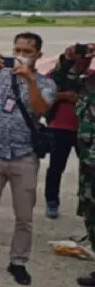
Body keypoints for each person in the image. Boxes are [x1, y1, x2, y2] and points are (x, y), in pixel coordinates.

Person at [0, 32, 56, 286]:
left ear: (38, 55)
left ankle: (18, 261)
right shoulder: (2, 76)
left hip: (24, 156)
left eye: (27, 51)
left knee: (24, 215)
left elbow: (41, 109)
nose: (21, 55)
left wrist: (30, 81)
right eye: (17, 50)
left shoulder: (46, 83)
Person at [50, 43, 95, 286]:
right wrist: (66, 59)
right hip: (89, 164)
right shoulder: (83, 83)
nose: (85, 60)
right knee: (89, 210)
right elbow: (60, 80)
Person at [44, 45, 92, 219]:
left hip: (87, 131)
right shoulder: (57, 75)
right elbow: (44, 97)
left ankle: (87, 203)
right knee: (56, 167)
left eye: (87, 58)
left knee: (89, 168)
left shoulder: (92, 76)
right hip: (60, 127)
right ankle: (51, 201)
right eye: (81, 57)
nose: (84, 61)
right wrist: (64, 96)